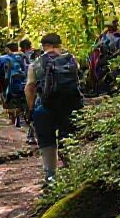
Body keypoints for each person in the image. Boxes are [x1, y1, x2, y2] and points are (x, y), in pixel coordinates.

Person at [25, 33, 83, 184]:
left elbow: (30, 87)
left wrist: (31, 109)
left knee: (47, 142)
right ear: (59, 45)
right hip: (70, 107)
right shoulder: (72, 60)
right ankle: (73, 172)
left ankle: (50, 176)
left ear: (44, 46)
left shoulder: (36, 63)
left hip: (45, 107)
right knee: (69, 137)